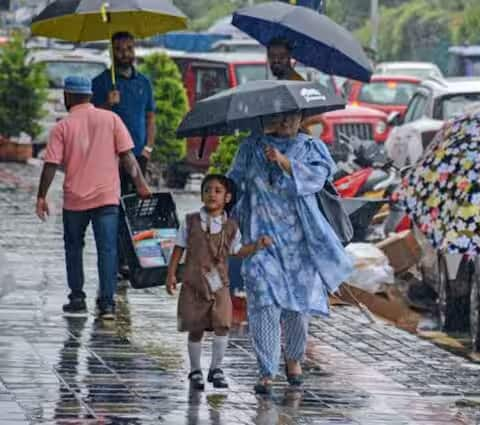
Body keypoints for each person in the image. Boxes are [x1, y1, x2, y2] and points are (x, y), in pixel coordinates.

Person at [227, 111, 353, 394]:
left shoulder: (311, 148)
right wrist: (227, 219)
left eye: (292, 116)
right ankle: (266, 370)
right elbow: (233, 185)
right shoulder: (250, 147)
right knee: (262, 302)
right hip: (261, 241)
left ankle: (294, 359)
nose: (285, 122)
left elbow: (317, 179)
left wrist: (284, 162)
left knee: (298, 306)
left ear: (301, 119)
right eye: (279, 116)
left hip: (300, 246)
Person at [35, 76, 151, 320]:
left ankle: (77, 298)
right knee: (107, 250)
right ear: (90, 95)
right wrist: (140, 184)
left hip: (75, 200)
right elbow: (128, 157)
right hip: (107, 198)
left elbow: (50, 165)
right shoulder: (111, 119)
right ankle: (107, 304)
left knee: (74, 248)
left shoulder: (62, 127)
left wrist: (41, 196)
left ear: (67, 96)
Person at [165, 174, 273, 391]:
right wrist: (171, 273)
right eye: (207, 190)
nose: (211, 195)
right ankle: (195, 370)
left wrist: (257, 246)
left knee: (222, 325)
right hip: (194, 285)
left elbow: (238, 251)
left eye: (217, 191)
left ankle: (216, 368)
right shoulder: (190, 221)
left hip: (219, 286)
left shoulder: (231, 226)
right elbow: (179, 248)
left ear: (227, 197)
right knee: (195, 328)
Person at [92, 31, 156, 195]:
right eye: (119, 49)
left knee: (135, 201)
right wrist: (107, 103)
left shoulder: (144, 82)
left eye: (129, 48)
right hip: (110, 156)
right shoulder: (100, 82)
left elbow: (150, 117)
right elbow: (90, 119)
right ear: (111, 52)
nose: (125, 54)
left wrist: (148, 149)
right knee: (111, 202)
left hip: (138, 155)